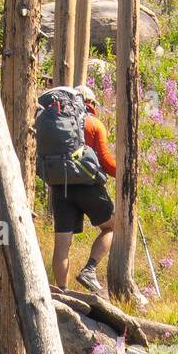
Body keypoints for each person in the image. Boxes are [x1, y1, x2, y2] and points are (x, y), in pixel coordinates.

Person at [38, 85, 116, 296]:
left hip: (59, 185)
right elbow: (106, 160)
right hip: (87, 185)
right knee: (113, 227)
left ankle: (61, 292)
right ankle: (90, 269)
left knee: (62, 244)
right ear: (89, 103)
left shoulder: (56, 121)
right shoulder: (93, 124)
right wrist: (124, 173)